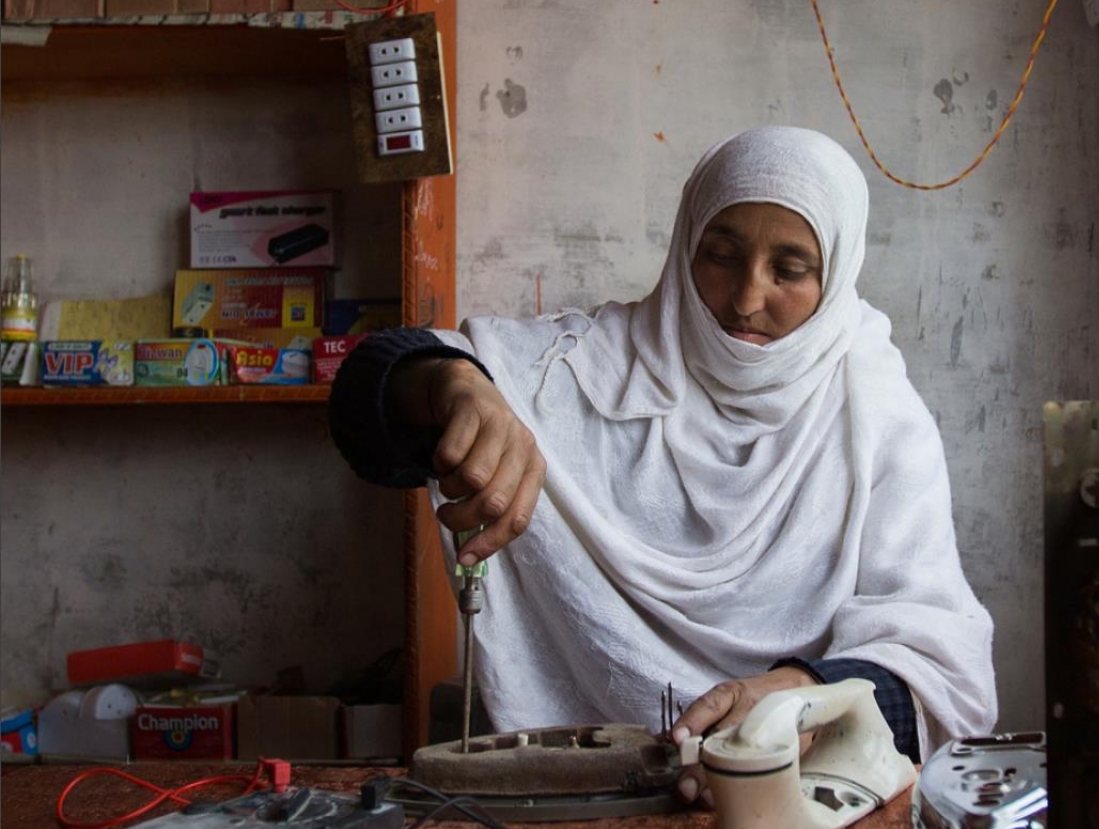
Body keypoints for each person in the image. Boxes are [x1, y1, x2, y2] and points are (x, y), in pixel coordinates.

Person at [328, 126, 997, 803]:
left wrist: (798, 698)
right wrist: (452, 386)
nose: (745, 298)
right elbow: (363, 401)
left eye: (789, 270)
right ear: (685, 248)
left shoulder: (874, 412)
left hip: (794, 797)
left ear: (837, 271)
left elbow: (939, 667)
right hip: (587, 798)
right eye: (720, 255)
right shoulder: (587, 371)